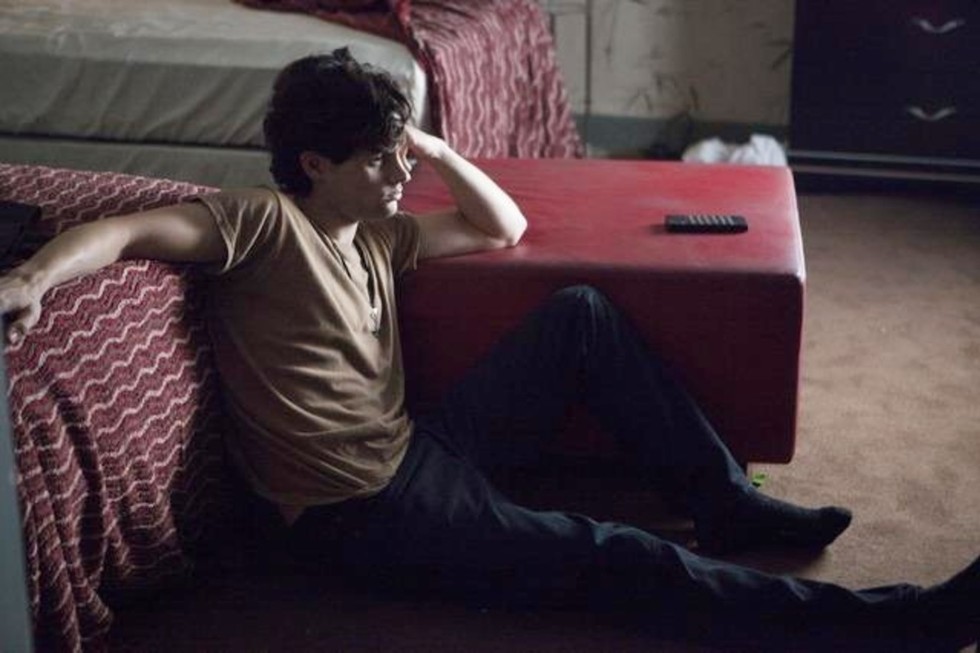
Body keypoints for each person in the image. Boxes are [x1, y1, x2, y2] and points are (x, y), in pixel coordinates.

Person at [0, 48, 976, 652]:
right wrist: (34, 277)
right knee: (616, 555)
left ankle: (723, 500)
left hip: (414, 447)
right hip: (354, 511)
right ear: (313, 164)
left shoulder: (375, 231)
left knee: (579, 313)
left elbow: (499, 224)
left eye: (399, 155)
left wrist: (422, 144)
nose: (398, 173)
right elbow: (123, 232)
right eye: (378, 159)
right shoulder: (259, 223)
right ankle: (900, 621)